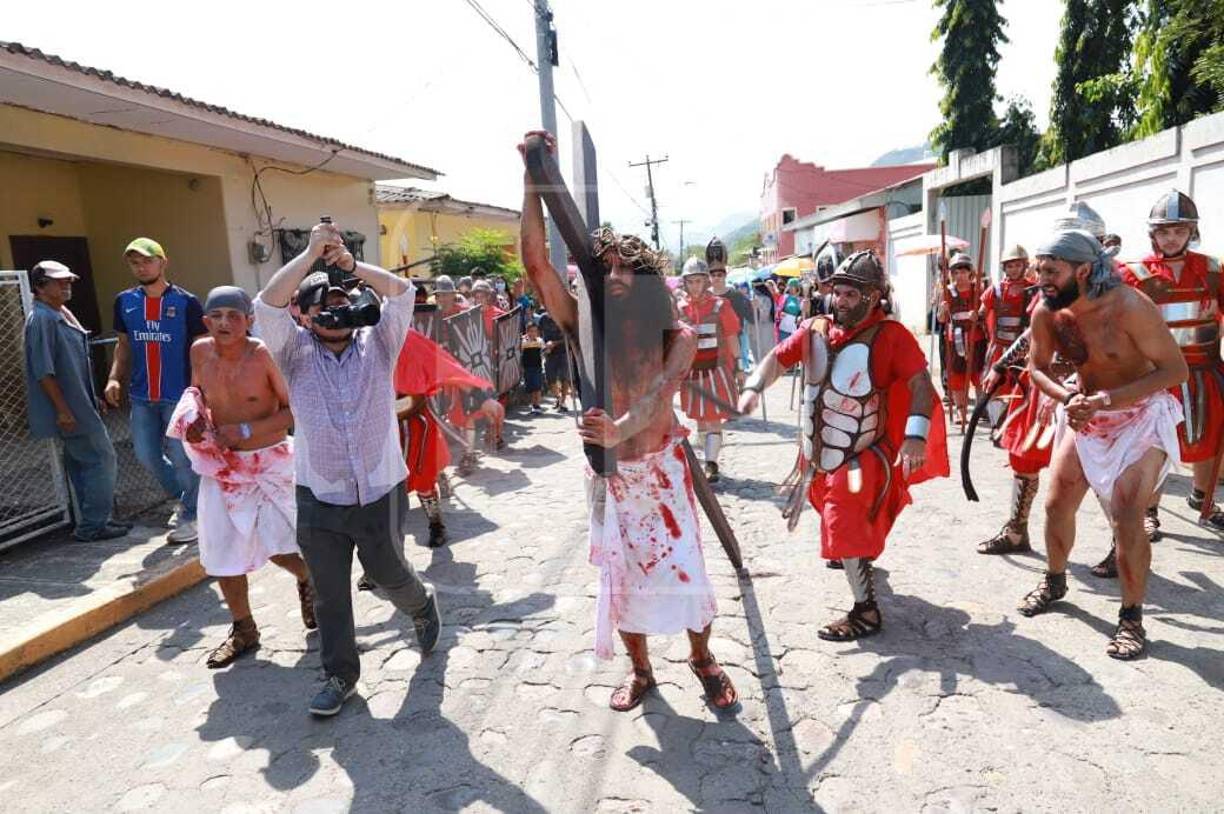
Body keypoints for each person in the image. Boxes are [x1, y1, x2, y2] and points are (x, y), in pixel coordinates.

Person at [520, 130, 737, 712]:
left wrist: (621, 427)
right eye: (606, 268)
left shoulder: (677, 333)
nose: (614, 277)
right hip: (609, 479)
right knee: (621, 581)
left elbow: (662, 396)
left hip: (661, 473)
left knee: (685, 576)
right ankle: (642, 671)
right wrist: (531, 179)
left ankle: (702, 660)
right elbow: (538, 266)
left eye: (625, 270)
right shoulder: (586, 327)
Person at [254, 220, 441, 717]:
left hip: (380, 488)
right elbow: (266, 305)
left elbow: (403, 293)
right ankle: (340, 676)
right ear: (305, 314)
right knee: (329, 591)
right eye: (322, 303)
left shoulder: (379, 345)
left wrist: (352, 266)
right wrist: (312, 252)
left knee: (388, 573)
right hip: (318, 495)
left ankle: (422, 607)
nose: (334, 309)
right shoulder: (291, 350)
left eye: (342, 301)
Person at [739, 251, 948, 640]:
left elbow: (920, 384)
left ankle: (865, 612)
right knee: (832, 512)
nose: (841, 301)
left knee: (844, 516)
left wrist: (915, 436)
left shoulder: (892, 336)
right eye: (839, 292)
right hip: (820, 452)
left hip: (864, 451)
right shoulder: (815, 329)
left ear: (873, 296)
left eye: (852, 294)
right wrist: (753, 387)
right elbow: (776, 359)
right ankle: (856, 555)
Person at [1017, 229, 1187, 660]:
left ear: (1085, 270)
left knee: (1128, 512)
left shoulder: (1131, 307)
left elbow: (1174, 371)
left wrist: (1107, 400)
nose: (1042, 278)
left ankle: (1131, 617)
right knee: (1056, 503)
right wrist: (1069, 398)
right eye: (1039, 269)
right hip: (1085, 412)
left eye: (1051, 271)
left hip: (1140, 415)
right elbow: (1036, 368)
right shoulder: (1047, 311)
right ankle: (1055, 580)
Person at [166, 286, 316, 668]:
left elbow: (296, 410)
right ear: (205, 322)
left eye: (234, 315)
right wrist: (194, 420)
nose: (224, 323)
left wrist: (246, 431)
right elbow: (196, 393)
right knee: (221, 552)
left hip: (271, 463)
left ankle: (310, 581)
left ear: (249, 321)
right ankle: (243, 629)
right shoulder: (199, 351)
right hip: (223, 468)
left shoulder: (264, 356)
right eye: (216, 316)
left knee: (280, 545)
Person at [977, 204, 1113, 561]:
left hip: (1089, 392)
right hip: (1045, 387)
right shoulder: (1051, 285)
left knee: (1097, 468)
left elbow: (1108, 348)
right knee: (1023, 456)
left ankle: (1121, 544)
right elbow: (1034, 333)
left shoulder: (1111, 291)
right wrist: (1003, 365)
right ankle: (1016, 530)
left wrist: (1070, 388)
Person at [1118, 190, 1223, 534]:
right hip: (1158, 376)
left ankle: (1203, 500)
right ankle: (1149, 509)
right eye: (1165, 231)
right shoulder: (1133, 273)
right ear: (1154, 235)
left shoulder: (1213, 270)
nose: (1172, 238)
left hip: (1205, 371)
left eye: (1179, 231)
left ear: (1191, 231)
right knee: (1157, 443)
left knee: (1209, 440)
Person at [104, 238, 206, 544]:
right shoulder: (125, 301)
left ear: (163, 262)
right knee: (146, 454)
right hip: (141, 395)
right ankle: (188, 499)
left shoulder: (187, 302)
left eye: (147, 260)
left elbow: (202, 349)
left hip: (178, 395)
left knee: (181, 457)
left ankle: (191, 514)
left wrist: (201, 390)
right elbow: (122, 345)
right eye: (134, 262)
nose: (141, 266)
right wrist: (113, 379)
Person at [23, 261, 129, 541]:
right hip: (71, 409)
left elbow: (71, 367)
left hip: (79, 404)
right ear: (40, 287)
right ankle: (93, 525)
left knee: (83, 463)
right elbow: (43, 371)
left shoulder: (57, 314)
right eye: (59, 281)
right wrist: (63, 410)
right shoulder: (42, 319)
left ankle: (92, 523)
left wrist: (90, 397)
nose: (66, 284)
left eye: (68, 280)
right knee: (102, 458)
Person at [678, 257, 742, 482]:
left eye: (699, 281)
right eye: (691, 281)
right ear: (685, 283)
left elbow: (732, 336)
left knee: (713, 418)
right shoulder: (679, 308)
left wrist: (740, 366)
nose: (695, 286)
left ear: (706, 282)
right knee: (700, 420)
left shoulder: (720, 305)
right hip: (692, 373)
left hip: (716, 370)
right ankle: (707, 458)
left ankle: (711, 463)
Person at [937, 253, 985, 430]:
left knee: (978, 374)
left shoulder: (978, 290)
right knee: (957, 376)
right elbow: (941, 320)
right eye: (956, 272)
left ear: (969, 272)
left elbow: (987, 313)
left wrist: (978, 315)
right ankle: (961, 410)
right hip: (954, 339)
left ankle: (981, 409)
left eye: (963, 272)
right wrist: (942, 310)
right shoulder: (947, 292)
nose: (960, 276)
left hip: (976, 339)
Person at [706, 237, 752, 382]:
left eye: (719, 274)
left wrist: (754, 306)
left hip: (733, 349)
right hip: (709, 352)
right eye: (713, 274)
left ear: (725, 275)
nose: (716, 278)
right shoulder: (704, 297)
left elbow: (752, 318)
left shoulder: (736, 296)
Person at [538, 308, 572, 412]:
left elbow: (569, 336)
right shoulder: (543, 318)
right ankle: (558, 398)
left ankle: (563, 401)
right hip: (549, 353)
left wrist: (554, 343)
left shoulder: (562, 317)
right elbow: (539, 333)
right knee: (550, 379)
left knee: (564, 378)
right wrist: (544, 344)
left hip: (563, 352)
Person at [521, 320, 545, 413]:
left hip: (537, 367)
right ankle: (533, 405)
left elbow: (544, 350)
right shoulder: (523, 342)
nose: (533, 333)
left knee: (537, 387)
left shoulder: (540, 341)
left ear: (537, 332)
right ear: (527, 332)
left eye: (535, 331)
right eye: (531, 331)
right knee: (531, 387)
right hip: (527, 367)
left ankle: (537, 405)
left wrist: (547, 349)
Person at [776, 278, 804, 343]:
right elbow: (778, 310)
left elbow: (803, 313)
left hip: (794, 328)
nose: (791, 288)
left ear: (797, 287)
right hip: (784, 327)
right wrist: (781, 313)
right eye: (789, 286)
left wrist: (800, 317)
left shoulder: (800, 299)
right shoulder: (785, 297)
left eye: (793, 286)